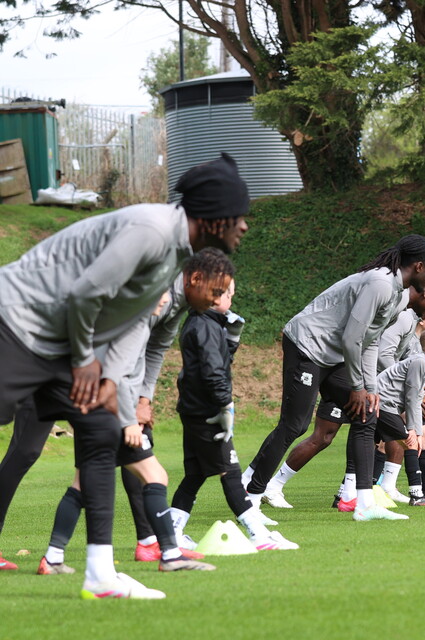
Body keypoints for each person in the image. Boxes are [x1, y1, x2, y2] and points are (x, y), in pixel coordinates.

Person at [0, 152, 249, 598]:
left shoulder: (177, 253)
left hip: (57, 343)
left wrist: (111, 380)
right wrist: (84, 360)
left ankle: (100, 575)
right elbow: (87, 293)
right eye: (239, 216)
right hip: (15, 321)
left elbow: (135, 323)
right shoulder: (151, 230)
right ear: (215, 217)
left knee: (100, 428)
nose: (244, 226)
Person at [243, 235, 425, 522]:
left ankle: (363, 504)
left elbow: (370, 341)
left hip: (334, 355)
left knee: (367, 413)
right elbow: (351, 338)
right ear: (418, 266)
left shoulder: (398, 297)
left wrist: (370, 387)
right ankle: (251, 499)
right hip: (307, 345)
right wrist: (357, 386)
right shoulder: (381, 283)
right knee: (295, 424)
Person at [37, 279, 225, 575]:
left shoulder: (123, 322)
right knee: (155, 476)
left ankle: (53, 557)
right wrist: (129, 422)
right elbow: (118, 376)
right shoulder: (132, 327)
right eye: (160, 294)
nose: (165, 300)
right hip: (110, 414)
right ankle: (169, 554)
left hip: (94, 410)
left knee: (82, 483)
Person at [168, 274, 298, 550]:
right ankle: (258, 535)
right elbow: (214, 372)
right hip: (207, 412)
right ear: (214, 296)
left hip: (195, 409)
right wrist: (224, 406)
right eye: (229, 294)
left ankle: (172, 532)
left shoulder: (203, 323)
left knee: (196, 473)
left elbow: (218, 360)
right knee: (230, 472)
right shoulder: (204, 326)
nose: (232, 297)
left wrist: (232, 338)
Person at [376, 327, 425, 507]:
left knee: (373, 445)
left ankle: (345, 493)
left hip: (383, 404)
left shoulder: (423, 363)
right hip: (384, 404)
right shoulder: (420, 362)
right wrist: (413, 430)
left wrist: (420, 412)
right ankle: (417, 495)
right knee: (410, 443)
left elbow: (415, 397)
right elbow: (411, 398)